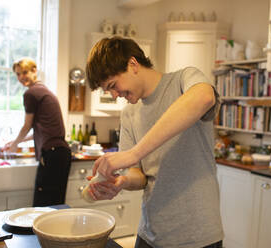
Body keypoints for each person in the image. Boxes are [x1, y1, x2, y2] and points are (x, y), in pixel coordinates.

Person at [85, 37, 224, 248]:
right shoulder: (129, 114)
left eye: (113, 85)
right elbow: (139, 175)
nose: (114, 95)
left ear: (132, 64)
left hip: (198, 236)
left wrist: (133, 153)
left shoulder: (183, 80)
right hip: (150, 235)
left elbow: (204, 97)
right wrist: (121, 182)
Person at [4, 58, 71, 207]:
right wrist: (17, 142)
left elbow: (27, 125)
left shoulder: (31, 94)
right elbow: (41, 129)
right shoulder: (43, 90)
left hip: (52, 154)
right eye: (18, 74)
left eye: (25, 72)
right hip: (61, 153)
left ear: (35, 71)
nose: (22, 77)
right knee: (55, 204)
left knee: (42, 206)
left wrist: (14, 145)